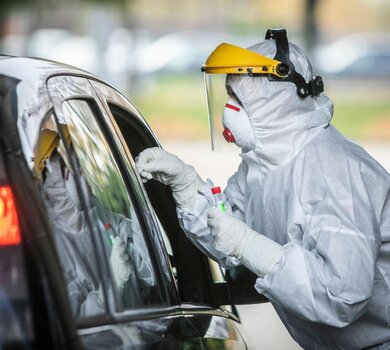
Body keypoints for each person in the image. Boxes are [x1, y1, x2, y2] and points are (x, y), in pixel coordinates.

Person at [136, 28, 390, 349]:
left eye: (238, 97)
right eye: (229, 96)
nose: (229, 110)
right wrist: (187, 187)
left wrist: (249, 245)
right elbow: (227, 231)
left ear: (277, 100)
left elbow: (341, 296)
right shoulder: (263, 166)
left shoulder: (336, 170)